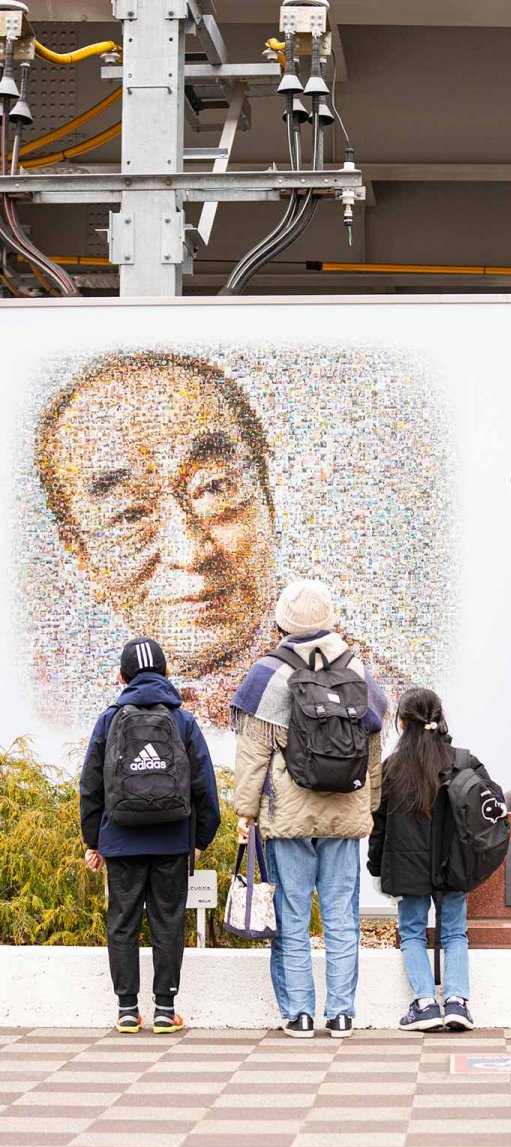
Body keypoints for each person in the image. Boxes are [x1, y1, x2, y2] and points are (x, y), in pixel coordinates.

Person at [36, 354, 276, 728]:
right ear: (82, 558)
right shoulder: (53, 717)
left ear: (267, 499)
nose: (191, 552)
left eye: (214, 487)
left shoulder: (363, 695)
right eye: (130, 515)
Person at [232, 579, 387, 1038]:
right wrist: (371, 805)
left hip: (289, 816)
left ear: (283, 621)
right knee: (342, 916)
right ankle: (341, 1013)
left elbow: (253, 752)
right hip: (345, 813)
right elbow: (374, 747)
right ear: (331, 619)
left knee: (293, 914)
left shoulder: (268, 673)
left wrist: (246, 812)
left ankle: (299, 1013)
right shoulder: (357, 671)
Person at [80, 637, 221, 1034]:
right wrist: (200, 837)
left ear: (121, 677)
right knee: (168, 920)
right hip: (171, 839)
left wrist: (94, 841)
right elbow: (204, 785)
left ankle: (127, 1010)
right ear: (166, 673)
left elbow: (91, 786)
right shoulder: (183, 721)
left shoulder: (109, 720)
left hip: (121, 839)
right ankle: (164, 1009)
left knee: (122, 921)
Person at [368, 687, 495, 1033]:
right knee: (455, 932)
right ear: (440, 718)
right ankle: (457, 1003)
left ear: (403, 723)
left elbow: (378, 827)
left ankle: (424, 1004)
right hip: (454, 865)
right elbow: (488, 811)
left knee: (412, 933)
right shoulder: (464, 761)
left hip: (407, 868)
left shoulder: (392, 769)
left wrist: (376, 867)